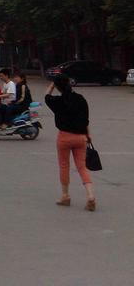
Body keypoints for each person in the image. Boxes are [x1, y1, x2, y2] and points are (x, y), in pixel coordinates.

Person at [45, 75, 96, 211]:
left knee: (64, 166)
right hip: (81, 137)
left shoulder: (57, 101)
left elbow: (46, 96)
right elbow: (85, 120)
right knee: (82, 167)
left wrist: (52, 86)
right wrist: (88, 134)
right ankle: (90, 195)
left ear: (57, 87)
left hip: (64, 137)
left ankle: (65, 196)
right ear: (70, 84)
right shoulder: (80, 99)